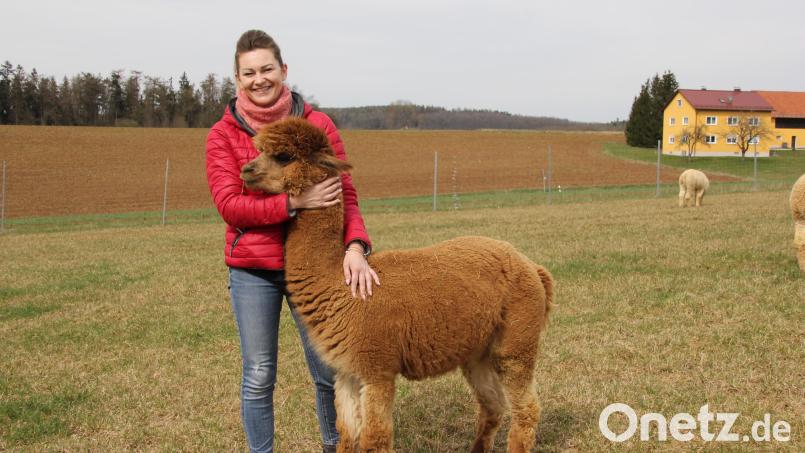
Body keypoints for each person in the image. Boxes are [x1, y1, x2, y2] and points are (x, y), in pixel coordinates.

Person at [205, 29, 380, 453]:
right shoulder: (223, 135)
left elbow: (346, 195)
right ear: (236, 78)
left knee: (328, 369)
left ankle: (335, 446)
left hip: (317, 269)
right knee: (259, 373)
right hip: (253, 270)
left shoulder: (317, 126)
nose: (259, 79)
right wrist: (292, 204)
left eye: (267, 69)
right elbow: (229, 204)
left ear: (283, 71)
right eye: (249, 72)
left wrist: (356, 246)